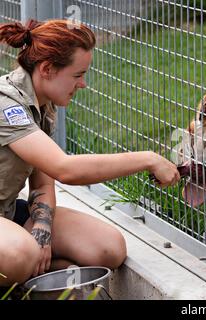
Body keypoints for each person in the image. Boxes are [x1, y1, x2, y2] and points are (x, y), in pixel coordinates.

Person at [0, 19, 181, 286]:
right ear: (47, 69)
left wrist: (42, 229)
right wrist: (148, 159)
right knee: (20, 254)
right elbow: (65, 169)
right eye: (77, 75)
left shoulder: (41, 104)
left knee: (108, 248)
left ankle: (33, 276)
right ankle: (26, 272)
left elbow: (43, 182)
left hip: (6, 215)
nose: (83, 84)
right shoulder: (7, 105)